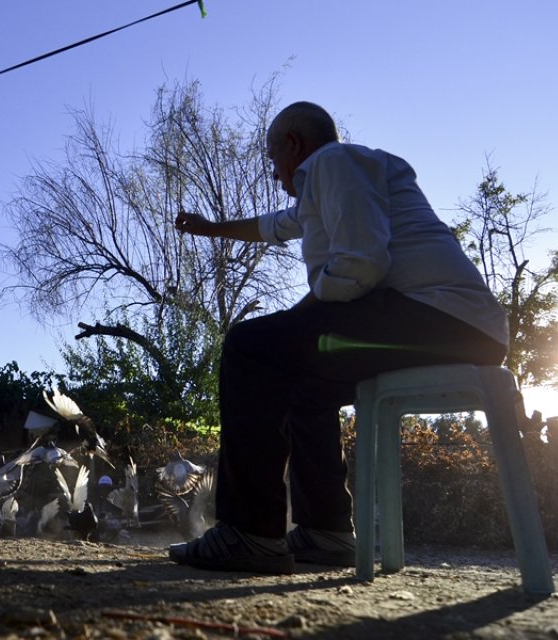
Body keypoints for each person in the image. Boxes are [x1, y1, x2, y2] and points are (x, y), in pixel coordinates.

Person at [169, 101, 508, 574]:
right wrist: (209, 229)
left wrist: (294, 320)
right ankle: (325, 533)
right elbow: (273, 227)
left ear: (294, 144)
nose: (274, 174)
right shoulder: (333, 183)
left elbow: (361, 264)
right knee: (307, 392)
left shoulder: (333, 162)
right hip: (457, 327)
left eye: (272, 159)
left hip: (440, 315)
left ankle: (249, 534)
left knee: (251, 347)